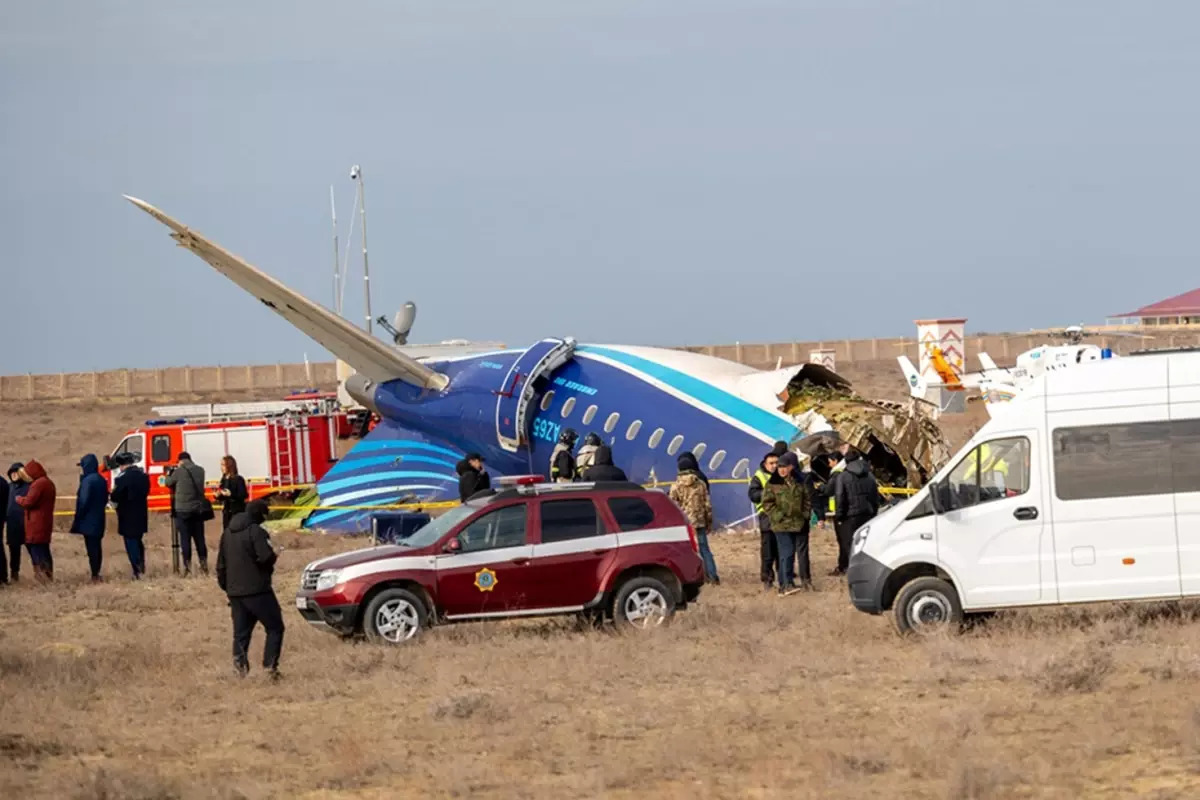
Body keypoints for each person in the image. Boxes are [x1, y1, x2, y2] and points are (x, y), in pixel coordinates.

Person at [216, 500, 284, 679]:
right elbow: (264, 557)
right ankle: (270, 668)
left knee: (240, 634)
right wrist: (274, 556)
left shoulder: (227, 533)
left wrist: (227, 587)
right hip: (258, 591)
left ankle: (240, 670)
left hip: (235, 592)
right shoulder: (256, 532)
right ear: (259, 515)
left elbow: (220, 565)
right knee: (275, 627)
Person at [760, 452, 813, 595]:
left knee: (792, 553)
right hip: (781, 524)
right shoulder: (773, 483)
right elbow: (767, 503)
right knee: (786, 553)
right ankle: (785, 584)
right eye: (779, 467)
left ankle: (788, 583)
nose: (781, 470)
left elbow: (807, 499)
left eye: (785, 466)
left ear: (791, 467)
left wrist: (806, 514)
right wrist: (778, 515)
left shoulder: (799, 482)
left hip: (797, 523)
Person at [670, 452, 718, 584]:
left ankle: (691, 578)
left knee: (687, 551)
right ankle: (713, 576)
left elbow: (673, 506)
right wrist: (709, 522)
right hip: (700, 521)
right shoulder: (701, 484)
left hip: (684, 524)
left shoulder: (675, 486)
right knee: (705, 549)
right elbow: (707, 505)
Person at [833, 449, 880, 575]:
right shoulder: (870, 475)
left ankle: (852, 571)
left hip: (849, 517)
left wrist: (839, 516)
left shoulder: (842, 476)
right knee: (865, 544)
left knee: (848, 545)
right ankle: (866, 570)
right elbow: (875, 497)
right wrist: (874, 513)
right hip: (867, 515)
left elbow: (839, 497)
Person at [748, 442, 787, 591]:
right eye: (771, 463)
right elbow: (753, 495)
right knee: (768, 552)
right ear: (765, 464)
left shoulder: (783, 474)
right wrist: (768, 493)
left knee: (783, 552)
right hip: (767, 518)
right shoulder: (759, 477)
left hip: (783, 518)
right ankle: (768, 579)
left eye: (776, 463)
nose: (774, 466)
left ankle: (784, 579)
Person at [164, 452, 209, 575]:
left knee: (185, 539)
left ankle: (187, 567)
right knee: (200, 539)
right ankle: (204, 565)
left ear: (180, 461)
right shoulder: (200, 470)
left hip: (183, 510)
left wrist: (169, 473)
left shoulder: (179, 471)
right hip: (198, 509)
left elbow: (168, 483)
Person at [109, 452, 150, 579]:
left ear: (121, 465)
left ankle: (136, 570)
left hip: (127, 514)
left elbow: (116, 496)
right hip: (141, 513)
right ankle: (142, 566)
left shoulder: (122, 478)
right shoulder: (143, 476)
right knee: (138, 541)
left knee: (130, 542)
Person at [69, 454, 109, 582]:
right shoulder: (101, 480)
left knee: (91, 548)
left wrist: (78, 518)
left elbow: (83, 501)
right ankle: (97, 572)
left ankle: (95, 574)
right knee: (97, 547)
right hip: (100, 519)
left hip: (88, 521)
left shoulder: (87, 481)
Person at [16, 460, 56, 582]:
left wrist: (19, 499)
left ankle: (42, 576)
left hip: (36, 522)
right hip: (44, 522)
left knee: (36, 549)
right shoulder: (48, 483)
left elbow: (29, 502)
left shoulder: (38, 484)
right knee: (44, 548)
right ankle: (48, 575)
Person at [4, 464, 28, 583]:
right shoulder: (8, 487)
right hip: (12, 524)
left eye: (16, 472)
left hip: (26, 523)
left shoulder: (29, 487)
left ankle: (41, 573)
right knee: (14, 551)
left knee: (32, 549)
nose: (13, 475)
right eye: (11, 473)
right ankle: (14, 575)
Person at [217, 455, 249, 531]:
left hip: (237, 512)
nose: (221, 467)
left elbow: (243, 495)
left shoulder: (238, 479)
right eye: (221, 465)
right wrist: (218, 495)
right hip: (226, 512)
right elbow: (224, 496)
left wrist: (231, 495)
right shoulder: (224, 479)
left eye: (223, 465)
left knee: (237, 532)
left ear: (229, 465)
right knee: (227, 533)